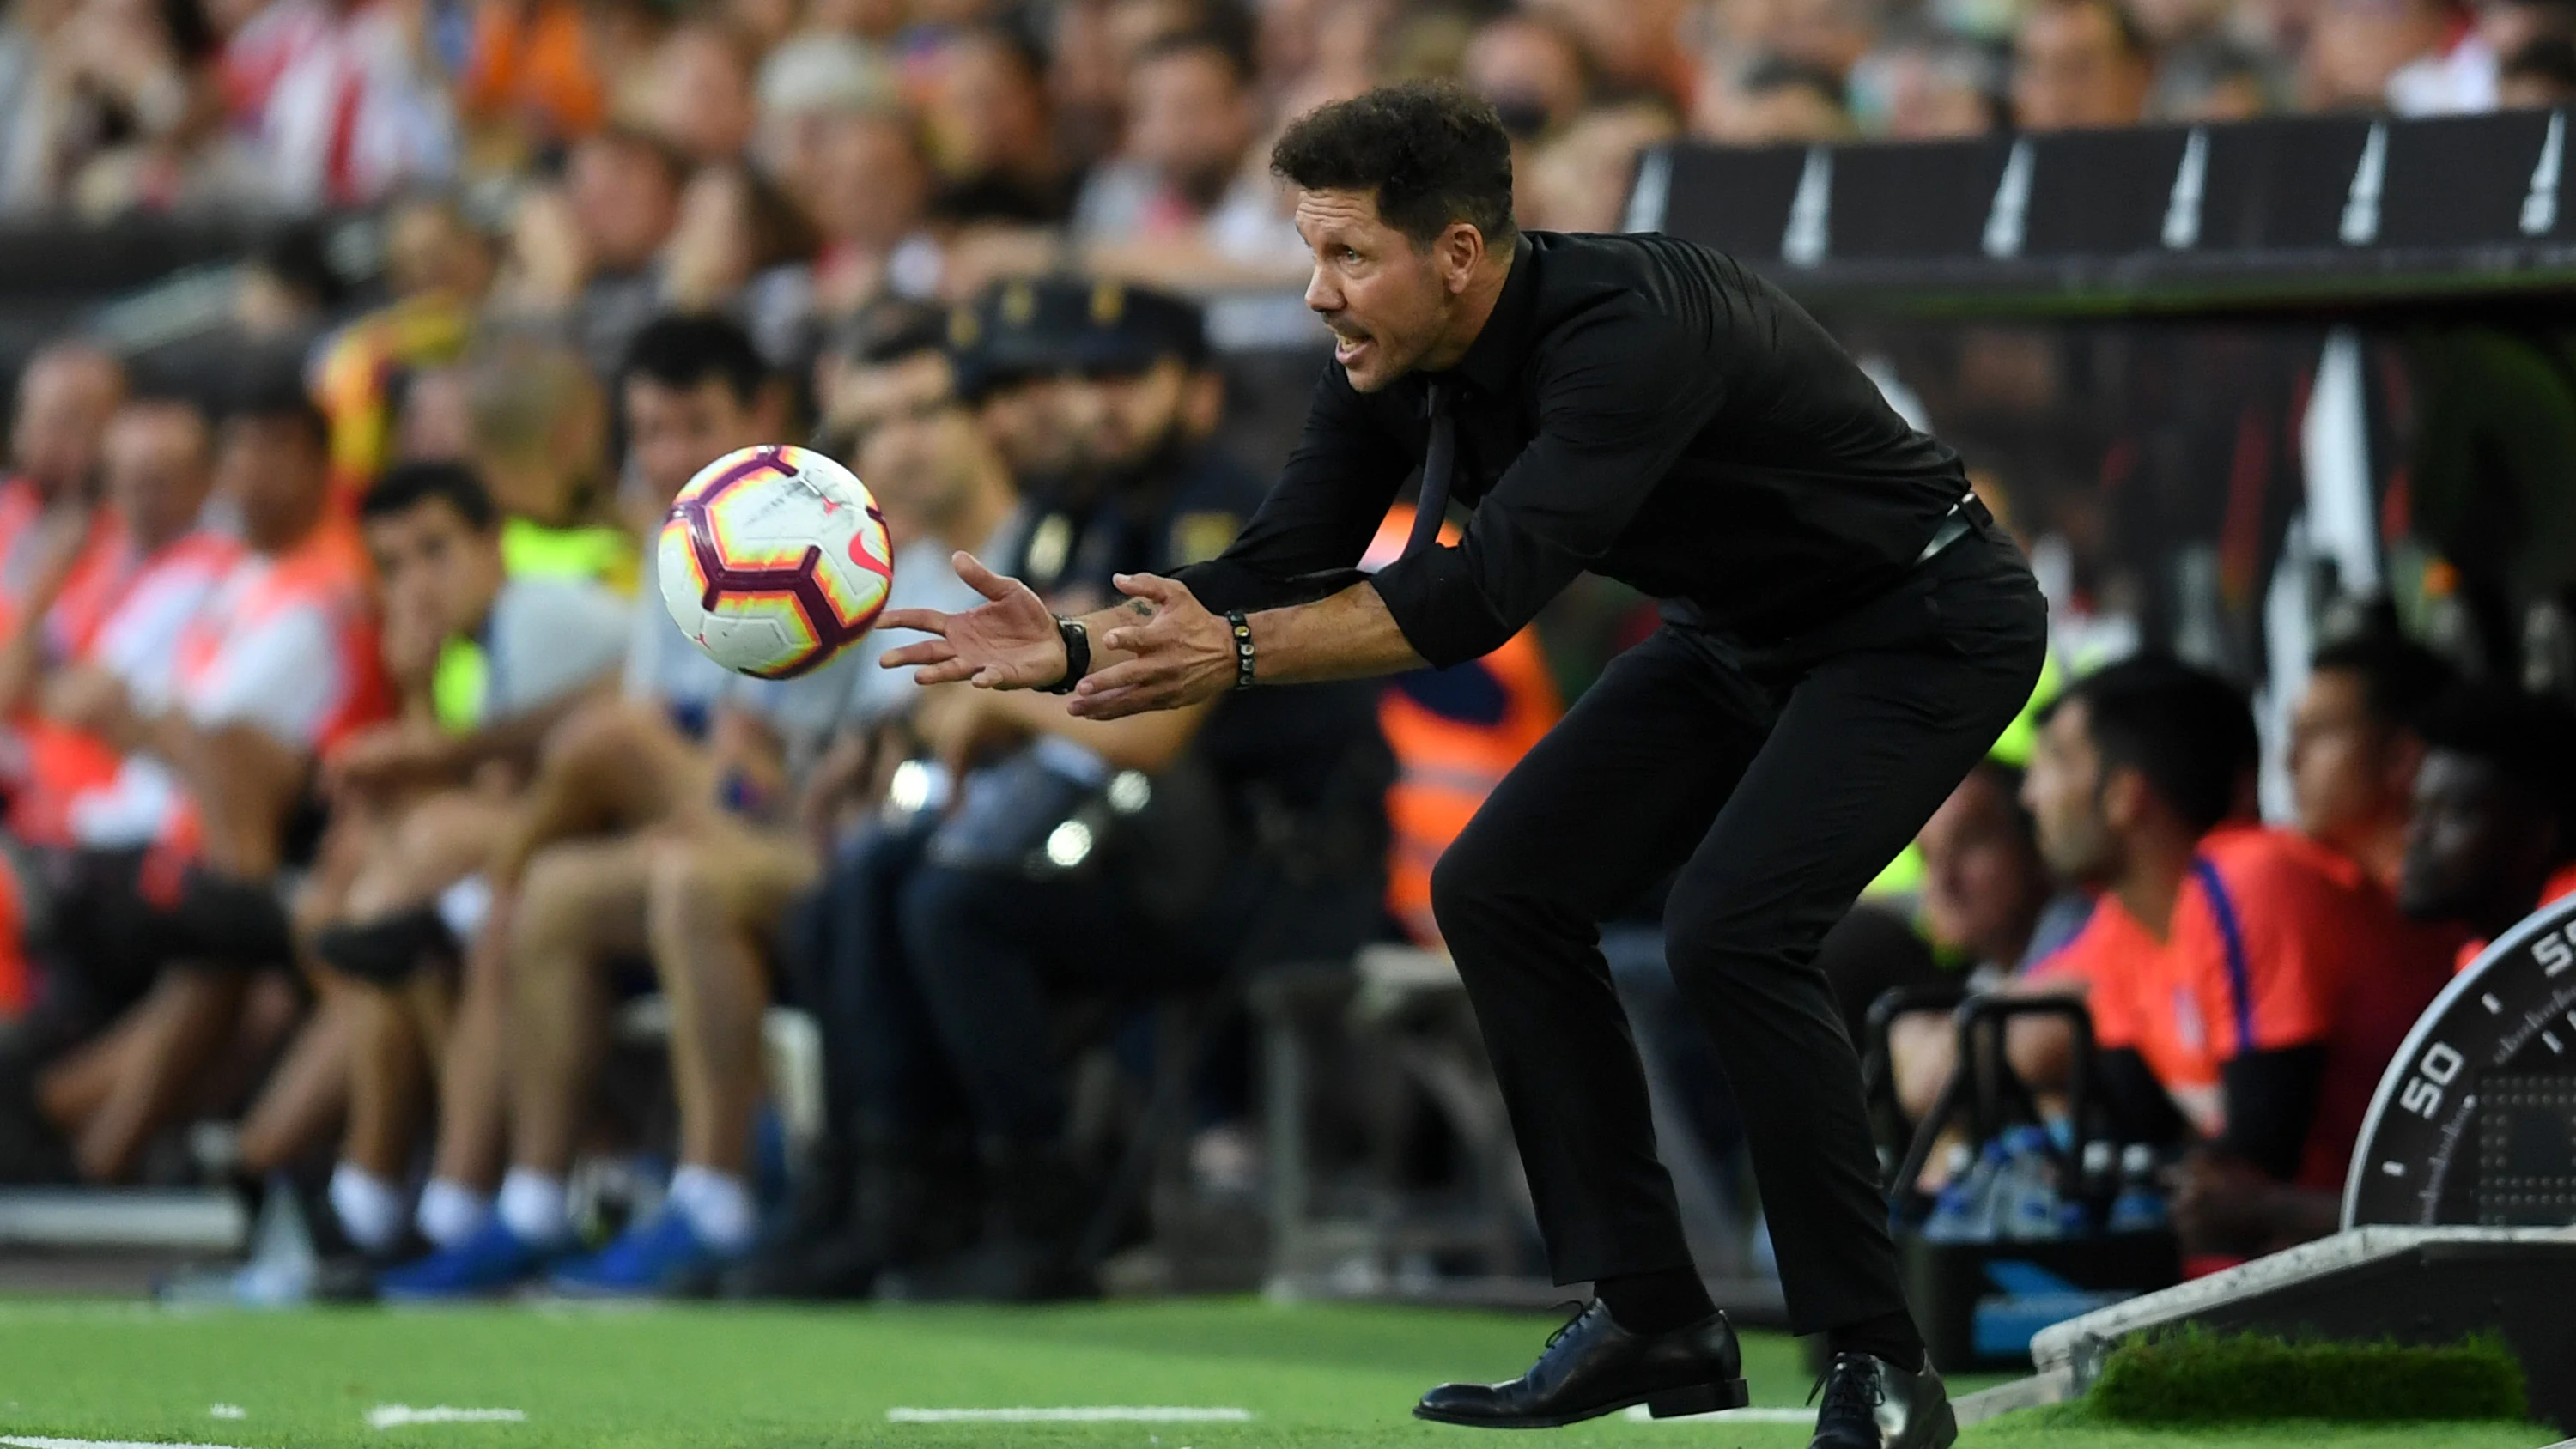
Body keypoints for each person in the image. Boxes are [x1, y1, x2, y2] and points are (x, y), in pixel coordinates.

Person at [884, 81, 2045, 1445]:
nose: (1317, 293)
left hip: (1922, 622)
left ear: (1458, 255)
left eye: (1347, 255)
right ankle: (1653, 1314)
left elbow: (1477, 598)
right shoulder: (1390, 356)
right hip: (1747, 638)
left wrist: (1239, 655)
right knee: (1498, 887)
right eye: (1310, 252)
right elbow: (1277, 563)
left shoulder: (1634, 329)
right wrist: (1076, 644)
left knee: (1733, 928)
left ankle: (1877, 1358)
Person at [2013, 658, 2451, 1262]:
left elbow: (2255, 1171)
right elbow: (2151, 1156)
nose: (2030, 794)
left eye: (2056, 761)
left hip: (2396, 1269)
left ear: (2124, 796)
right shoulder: (2122, 927)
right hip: (2282, 1277)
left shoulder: (2253, 879)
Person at [2397, 682, 2576, 967]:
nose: (2417, 834)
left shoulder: (2568, 912)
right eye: (2418, 811)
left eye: (2453, 813)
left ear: (2539, 833)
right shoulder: (2478, 956)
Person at [2287, 632, 2454, 894]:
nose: (2290, 761)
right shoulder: (2331, 896)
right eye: (2296, 735)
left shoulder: (2454, 904)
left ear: (2400, 756)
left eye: (2318, 732)